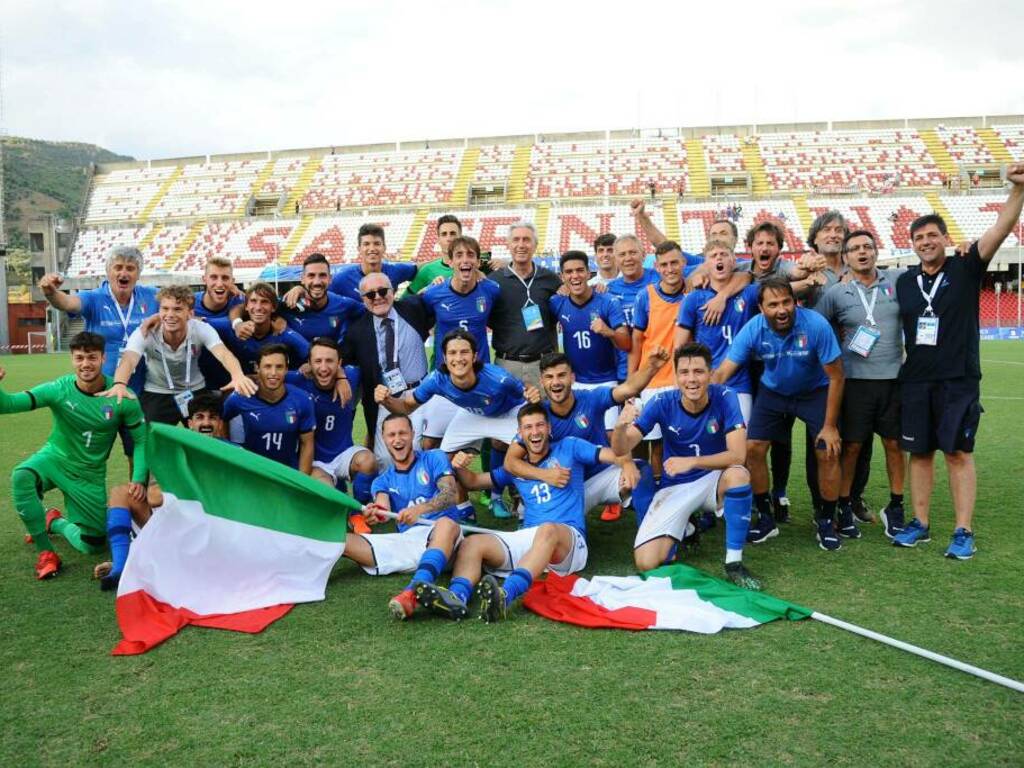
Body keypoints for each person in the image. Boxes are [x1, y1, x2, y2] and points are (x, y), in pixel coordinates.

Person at [892, 164, 1024, 558]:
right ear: (912, 244)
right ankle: (920, 523)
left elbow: (999, 231)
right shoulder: (903, 281)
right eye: (919, 237)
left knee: (957, 453)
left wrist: (1017, 192)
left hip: (958, 379)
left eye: (933, 235)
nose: (926, 242)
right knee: (919, 452)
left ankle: (963, 530)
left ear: (946, 239)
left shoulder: (966, 266)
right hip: (915, 380)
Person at [417, 403, 639, 622]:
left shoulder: (570, 446)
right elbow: (474, 482)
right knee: (472, 544)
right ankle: (457, 597)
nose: (535, 432)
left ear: (549, 429)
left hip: (569, 541)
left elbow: (613, 455)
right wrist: (459, 467)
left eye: (540, 426)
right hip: (532, 539)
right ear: (519, 434)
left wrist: (627, 463)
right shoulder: (516, 467)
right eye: (528, 427)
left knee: (548, 530)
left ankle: (504, 596)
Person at [611, 343, 760, 590]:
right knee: (646, 562)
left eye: (699, 372)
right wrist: (619, 428)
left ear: (710, 374)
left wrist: (692, 461)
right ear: (676, 375)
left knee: (739, 475)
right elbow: (621, 447)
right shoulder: (661, 402)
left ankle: (734, 562)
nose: (691, 379)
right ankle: (687, 528)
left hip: (714, 479)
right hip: (676, 486)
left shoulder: (726, 397)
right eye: (684, 372)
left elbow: (738, 455)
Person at [1, 332, 148, 580]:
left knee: (92, 546)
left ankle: (54, 521)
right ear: (72, 359)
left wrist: (138, 478)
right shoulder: (59, 389)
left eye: (91, 357)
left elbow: (143, 440)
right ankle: (46, 553)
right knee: (21, 476)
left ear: (103, 358)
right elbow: (9, 405)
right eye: (79, 358)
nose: (85, 364)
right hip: (55, 459)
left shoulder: (122, 398)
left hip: (89, 475)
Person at [713, 278, 846, 551]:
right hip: (774, 393)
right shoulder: (754, 328)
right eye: (773, 304)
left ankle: (825, 520)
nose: (782, 309)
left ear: (794, 301)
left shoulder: (816, 325)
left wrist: (830, 426)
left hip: (814, 392)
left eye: (786, 301)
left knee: (827, 450)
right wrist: (698, 399)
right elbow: (724, 371)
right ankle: (765, 517)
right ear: (761, 308)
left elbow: (836, 377)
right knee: (753, 448)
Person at [815, 230, 907, 540]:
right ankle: (843, 505)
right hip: (854, 382)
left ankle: (895, 505)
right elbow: (816, 325)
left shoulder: (897, 281)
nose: (862, 252)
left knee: (894, 445)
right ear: (846, 257)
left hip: (894, 379)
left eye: (868, 246)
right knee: (852, 447)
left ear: (876, 251)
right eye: (854, 249)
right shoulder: (837, 293)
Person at [503, 350, 665, 524]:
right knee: (550, 534)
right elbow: (510, 462)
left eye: (561, 375)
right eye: (549, 377)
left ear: (572, 378)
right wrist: (545, 475)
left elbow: (628, 389)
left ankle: (651, 537)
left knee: (640, 471)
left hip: (602, 476)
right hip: (564, 486)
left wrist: (651, 367)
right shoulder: (539, 417)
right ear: (542, 382)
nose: (556, 382)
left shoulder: (591, 399)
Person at [340, 413, 471, 620]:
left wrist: (420, 510)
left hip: (445, 540)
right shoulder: (382, 481)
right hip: (408, 543)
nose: (397, 439)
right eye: (391, 435)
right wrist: (377, 513)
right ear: (384, 439)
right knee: (341, 540)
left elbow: (450, 495)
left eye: (402, 433)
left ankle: (412, 591)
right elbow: (382, 505)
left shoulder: (434, 457)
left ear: (412, 435)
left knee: (446, 523)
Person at [93, 391, 228, 590]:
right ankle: (120, 568)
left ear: (220, 424)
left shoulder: (233, 454)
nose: (205, 423)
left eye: (212, 418)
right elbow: (154, 497)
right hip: (171, 526)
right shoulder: (174, 452)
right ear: (190, 423)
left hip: (208, 530)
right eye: (199, 417)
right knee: (121, 493)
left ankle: (135, 560)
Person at [38, 246, 158, 465]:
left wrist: (233, 299)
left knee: (139, 455)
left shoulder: (151, 296)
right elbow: (66, 303)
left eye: (130, 268)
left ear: (138, 274)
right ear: (108, 271)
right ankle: (85, 497)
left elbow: (181, 302)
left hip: (137, 391)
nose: (124, 273)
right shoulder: (94, 298)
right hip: (99, 393)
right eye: (118, 267)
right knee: (88, 455)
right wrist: (50, 292)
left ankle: (136, 498)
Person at [103, 286, 256, 425]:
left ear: (190, 313)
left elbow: (223, 353)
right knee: (151, 440)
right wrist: (119, 384)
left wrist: (237, 375)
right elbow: (129, 360)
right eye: (165, 309)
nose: (170, 315)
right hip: (157, 391)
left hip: (194, 390)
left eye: (177, 309)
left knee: (207, 436)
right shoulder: (145, 332)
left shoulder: (201, 329)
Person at [375, 329, 527, 456]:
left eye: (464, 352)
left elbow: (525, 398)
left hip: (506, 413)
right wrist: (387, 400)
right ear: (445, 358)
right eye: (452, 353)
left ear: (474, 357)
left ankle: (502, 490)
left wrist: (531, 396)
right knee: (445, 457)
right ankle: (452, 492)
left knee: (528, 449)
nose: (458, 358)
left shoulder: (500, 378)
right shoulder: (437, 380)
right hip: (473, 414)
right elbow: (407, 407)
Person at [418, 236, 501, 448]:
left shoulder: (491, 290)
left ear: (477, 262)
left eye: (471, 255)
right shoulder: (434, 294)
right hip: (445, 380)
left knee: (483, 445)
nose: (465, 260)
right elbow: (416, 318)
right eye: (459, 255)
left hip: (479, 380)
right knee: (429, 445)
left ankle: (492, 480)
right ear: (451, 261)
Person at [340, 272, 431, 461]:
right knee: (385, 459)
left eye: (383, 291)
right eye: (371, 295)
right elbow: (341, 360)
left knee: (420, 453)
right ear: (363, 299)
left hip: (420, 394)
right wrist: (341, 377)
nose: (378, 297)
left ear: (393, 291)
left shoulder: (414, 308)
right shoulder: (356, 332)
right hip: (385, 399)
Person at [675, 239, 760, 421]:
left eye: (724, 255)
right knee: (708, 443)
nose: (719, 258)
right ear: (706, 265)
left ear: (733, 261)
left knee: (740, 444)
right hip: (705, 384)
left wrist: (808, 281)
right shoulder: (693, 299)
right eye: (713, 256)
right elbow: (679, 347)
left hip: (739, 384)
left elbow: (779, 292)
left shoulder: (749, 293)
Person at [549, 250, 629, 430]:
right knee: (580, 436)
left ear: (588, 273)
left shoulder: (608, 301)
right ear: (562, 276)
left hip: (607, 381)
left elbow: (626, 343)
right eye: (569, 272)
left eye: (579, 270)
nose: (575, 276)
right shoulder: (556, 303)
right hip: (576, 383)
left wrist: (608, 331)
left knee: (609, 436)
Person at [630, 241, 688, 477]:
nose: (670, 269)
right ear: (656, 267)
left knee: (672, 444)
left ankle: (670, 491)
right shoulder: (646, 296)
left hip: (681, 382)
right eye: (664, 264)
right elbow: (636, 343)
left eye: (675, 262)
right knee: (645, 443)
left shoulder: (694, 293)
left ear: (684, 263)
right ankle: (647, 493)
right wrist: (632, 386)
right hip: (651, 383)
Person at [489, 221, 562, 390]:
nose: (521, 245)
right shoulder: (493, 281)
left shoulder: (551, 279)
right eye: (516, 240)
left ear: (535, 245)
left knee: (544, 414)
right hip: (507, 365)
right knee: (507, 415)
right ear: (508, 245)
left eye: (526, 240)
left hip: (543, 365)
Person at [221, 344, 316, 473]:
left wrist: (302, 481)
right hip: (252, 471)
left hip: (288, 472)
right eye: (267, 366)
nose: (273, 373)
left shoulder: (302, 400)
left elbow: (307, 444)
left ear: (286, 369)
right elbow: (222, 419)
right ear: (257, 368)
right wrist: (228, 448)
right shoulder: (241, 396)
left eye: (279, 367)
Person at [211, 283, 310, 373]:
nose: (258, 307)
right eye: (253, 301)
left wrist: (301, 372)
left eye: (264, 302)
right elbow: (199, 323)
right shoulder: (231, 327)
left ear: (274, 307)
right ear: (246, 306)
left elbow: (315, 355)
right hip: (240, 388)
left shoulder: (283, 332)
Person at [279, 253, 365, 344]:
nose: (317, 282)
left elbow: (371, 311)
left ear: (330, 279)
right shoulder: (288, 304)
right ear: (302, 279)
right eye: (311, 275)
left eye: (322, 275)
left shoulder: (344, 304)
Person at [327, 223, 418, 302]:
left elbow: (422, 268)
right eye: (366, 244)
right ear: (359, 249)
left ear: (384, 247)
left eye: (377, 244)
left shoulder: (395, 271)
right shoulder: (342, 278)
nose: (372, 249)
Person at [193, 256, 244, 390]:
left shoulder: (242, 301)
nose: (220, 283)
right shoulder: (189, 303)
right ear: (204, 279)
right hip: (197, 384)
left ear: (233, 282)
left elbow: (271, 303)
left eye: (225, 278)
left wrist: (298, 289)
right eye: (214, 277)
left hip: (234, 382)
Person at [407, 215, 463, 294]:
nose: (449, 239)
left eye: (453, 233)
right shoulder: (427, 270)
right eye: (444, 234)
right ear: (438, 239)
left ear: (461, 237)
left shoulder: (474, 266)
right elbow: (405, 301)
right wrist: (425, 291)